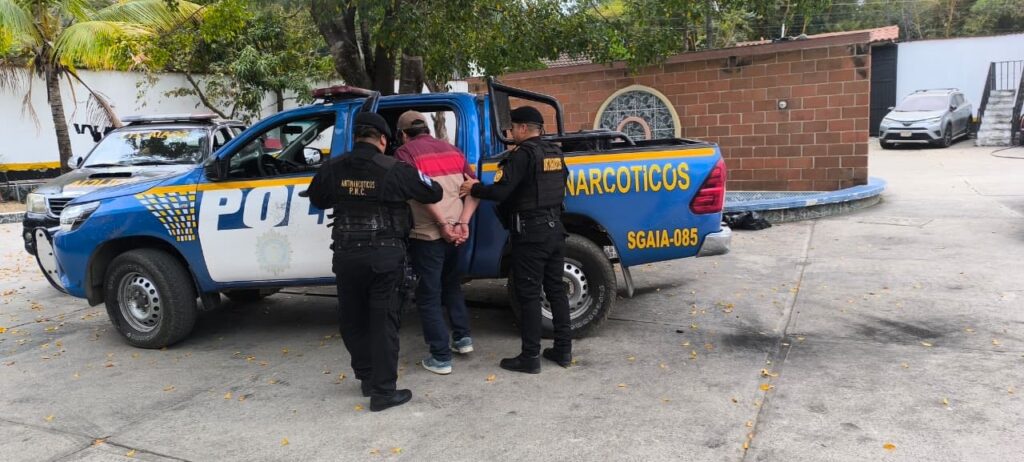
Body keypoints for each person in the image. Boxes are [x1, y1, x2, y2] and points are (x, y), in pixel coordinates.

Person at [307, 112, 443, 412]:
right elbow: (434, 192)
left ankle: (368, 379)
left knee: (353, 319)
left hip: (346, 255)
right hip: (384, 256)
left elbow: (317, 199)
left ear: (355, 137)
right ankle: (383, 392)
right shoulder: (395, 168)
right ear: (383, 139)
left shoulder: (332, 167)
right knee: (383, 322)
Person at [459, 106, 572, 374]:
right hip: (556, 229)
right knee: (556, 290)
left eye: (511, 128)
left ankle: (530, 357)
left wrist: (474, 188)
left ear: (523, 128)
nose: (510, 132)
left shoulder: (522, 154)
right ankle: (563, 350)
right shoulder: (554, 152)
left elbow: (502, 192)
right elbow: (562, 182)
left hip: (532, 234)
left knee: (529, 294)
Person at [393, 111, 480, 375]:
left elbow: (421, 194)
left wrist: (443, 225)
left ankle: (441, 357)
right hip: (458, 234)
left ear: (403, 134)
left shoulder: (405, 153)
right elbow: (475, 188)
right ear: (428, 129)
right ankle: (462, 339)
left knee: (428, 295)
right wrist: (463, 223)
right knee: (451, 285)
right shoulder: (453, 151)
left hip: (428, 235)